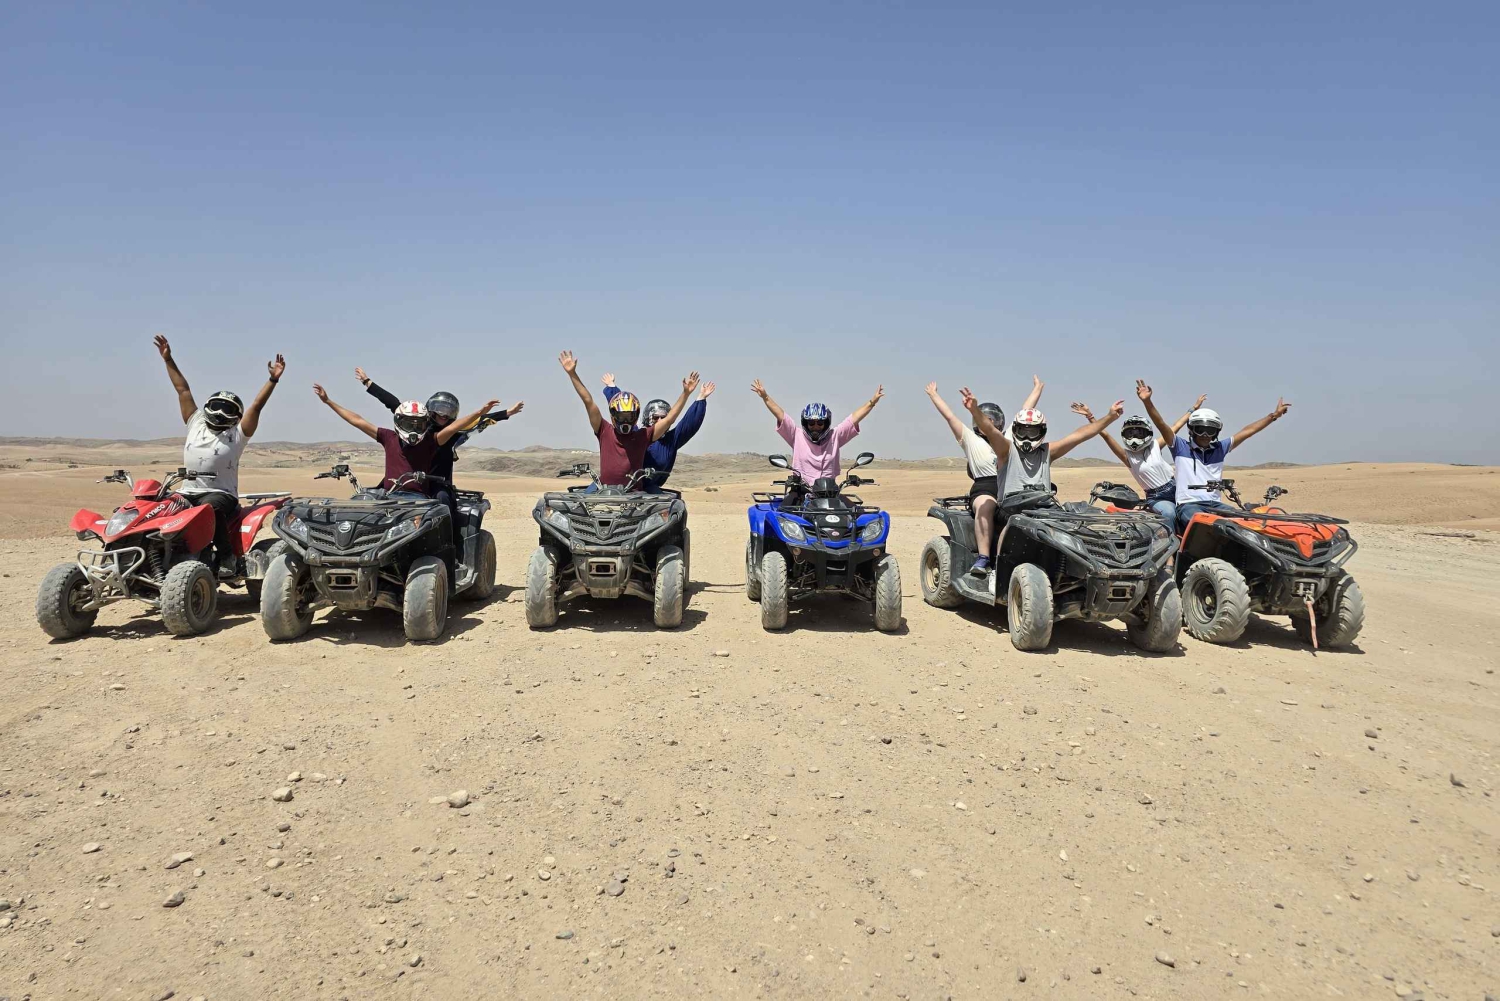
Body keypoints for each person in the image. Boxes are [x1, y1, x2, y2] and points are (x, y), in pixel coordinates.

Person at [153, 335, 285, 577]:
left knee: (208, 509)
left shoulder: (237, 435)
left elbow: (256, 405)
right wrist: (168, 359)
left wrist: (272, 379)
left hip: (221, 496)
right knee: (155, 507)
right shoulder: (195, 423)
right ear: (208, 406)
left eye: (228, 409)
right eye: (218, 405)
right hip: (186, 492)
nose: (221, 412)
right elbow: (182, 389)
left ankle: (227, 556)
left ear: (236, 416)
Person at [964, 388, 1124, 576]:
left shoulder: (1048, 451)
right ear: (1015, 430)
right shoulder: (1006, 451)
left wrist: (1109, 417)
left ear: (1042, 432)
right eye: (1023, 430)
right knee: (1014, 525)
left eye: (1033, 432)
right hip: (1012, 508)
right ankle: (998, 573)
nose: (1027, 436)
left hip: (1044, 507)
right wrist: (975, 410)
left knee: (1075, 526)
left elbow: (1080, 435)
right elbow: (990, 430)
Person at [924, 376, 1045, 577]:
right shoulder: (969, 439)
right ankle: (984, 559)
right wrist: (934, 395)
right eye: (983, 418)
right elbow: (950, 416)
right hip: (985, 486)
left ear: (999, 421)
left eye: (991, 419)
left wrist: (1037, 389)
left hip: (1012, 485)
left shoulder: (1009, 437)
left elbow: (1025, 412)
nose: (987, 422)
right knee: (986, 506)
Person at [311, 383, 498, 501]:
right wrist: (329, 401)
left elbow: (454, 427)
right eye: (409, 423)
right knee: (357, 505)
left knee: (440, 519)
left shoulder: (431, 441)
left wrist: (480, 412)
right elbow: (357, 420)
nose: (414, 428)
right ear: (399, 421)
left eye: (419, 423)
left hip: (419, 501)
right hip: (389, 498)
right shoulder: (388, 437)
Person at [1143, 388, 1291, 532]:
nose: (1205, 434)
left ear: (1216, 433)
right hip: (1189, 505)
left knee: (1244, 523)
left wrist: (1273, 416)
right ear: (1191, 430)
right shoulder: (1180, 447)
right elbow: (1161, 424)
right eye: (1200, 429)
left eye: (1211, 431)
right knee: (1205, 525)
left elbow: (1247, 432)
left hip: (1216, 505)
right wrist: (1147, 401)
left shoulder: (1220, 448)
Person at [353, 367, 525, 484]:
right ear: (431, 409)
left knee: (445, 504)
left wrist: (507, 413)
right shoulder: (418, 424)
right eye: (440, 410)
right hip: (405, 481)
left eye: (448, 411)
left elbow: (480, 420)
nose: (443, 415)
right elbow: (394, 404)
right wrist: (368, 382)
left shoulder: (455, 433)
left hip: (438, 483)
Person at [1070, 381, 1206, 528]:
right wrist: (1090, 416)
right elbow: (1105, 435)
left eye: (1139, 432)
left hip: (1178, 487)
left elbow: (1175, 427)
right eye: (1130, 433)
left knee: (1198, 513)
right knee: (1169, 514)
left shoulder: (1155, 445)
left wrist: (1194, 408)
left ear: (1147, 432)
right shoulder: (1127, 457)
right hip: (1157, 496)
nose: (1135, 437)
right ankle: (1171, 548)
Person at [557, 351, 695, 488]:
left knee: (670, 507)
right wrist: (572, 374)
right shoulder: (603, 430)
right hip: (604, 492)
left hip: (635, 495)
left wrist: (685, 394)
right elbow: (588, 401)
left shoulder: (643, 436)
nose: (625, 421)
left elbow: (669, 419)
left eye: (629, 416)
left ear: (636, 417)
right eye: (621, 416)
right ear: (613, 415)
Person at [750, 379, 884, 483]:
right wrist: (765, 397)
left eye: (820, 423)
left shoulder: (835, 436)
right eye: (811, 423)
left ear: (826, 423)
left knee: (854, 513)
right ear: (805, 423)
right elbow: (781, 415)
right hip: (801, 491)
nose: (815, 426)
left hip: (829, 493)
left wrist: (872, 402)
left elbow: (853, 419)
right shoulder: (796, 435)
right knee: (783, 514)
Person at [600, 372, 715, 490]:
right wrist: (611, 387)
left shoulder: (671, 441)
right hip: (623, 487)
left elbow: (689, 423)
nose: (660, 421)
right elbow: (621, 408)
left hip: (650, 490)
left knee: (672, 507)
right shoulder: (638, 435)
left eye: (663, 417)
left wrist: (700, 399)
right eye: (655, 417)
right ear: (647, 417)